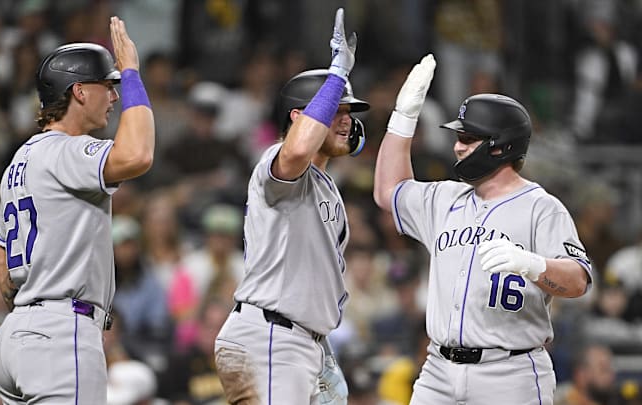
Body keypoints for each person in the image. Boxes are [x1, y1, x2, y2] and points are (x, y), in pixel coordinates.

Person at [373, 54, 593, 404]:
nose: (457, 146)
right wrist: (403, 118)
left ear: (500, 146)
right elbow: (388, 192)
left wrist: (533, 265)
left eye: (469, 138)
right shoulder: (446, 197)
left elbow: (578, 281)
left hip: (510, 372)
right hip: (438, 371)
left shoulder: (541, 207)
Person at [0, 16, 154, 404]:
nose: (113, 96)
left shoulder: (20, 159)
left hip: (16, 336)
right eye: (106, 86)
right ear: (79, 91)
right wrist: (131, 73)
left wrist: (28, 317)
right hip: (58, 336)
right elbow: (138, 155)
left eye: (116, 86)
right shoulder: (65, 150)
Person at [214, 8, 368, 405]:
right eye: (337, 110)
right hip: (270, 338)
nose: (346, 120)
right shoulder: (276, 162)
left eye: (349, 113)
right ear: (299, 118)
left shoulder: (326, 185)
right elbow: (298, 148)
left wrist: (319, 343)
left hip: (295, 340)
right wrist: (336, 76)